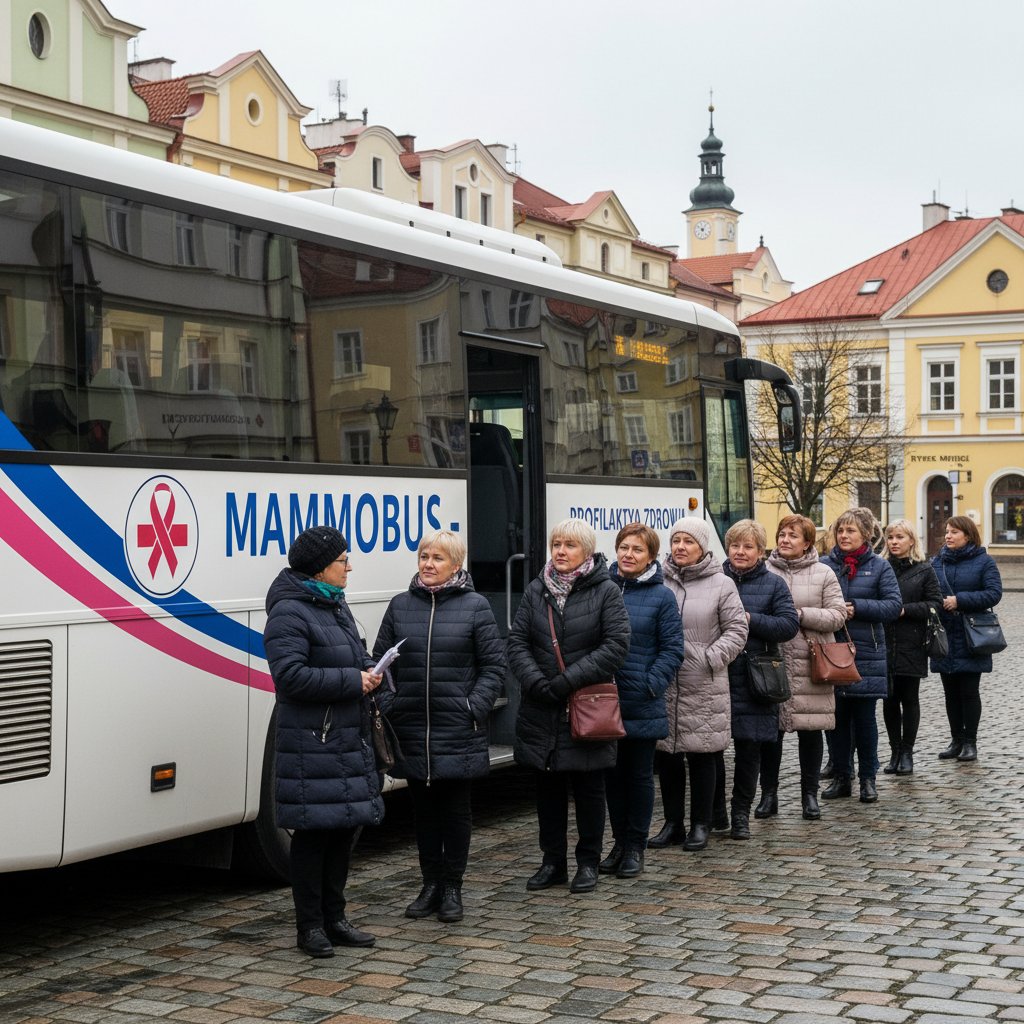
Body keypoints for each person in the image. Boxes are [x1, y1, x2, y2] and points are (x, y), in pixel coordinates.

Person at [263, 527, 383, 959]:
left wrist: (373, 670)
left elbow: (355, 654)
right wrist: (354, 681)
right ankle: (309, 926)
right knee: (313, 837)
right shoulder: (289, 613)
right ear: (320, 567)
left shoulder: (334, 604)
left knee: (342, 832)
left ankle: (336, 918)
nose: (349, 567)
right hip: (312, 741)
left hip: (347, 737)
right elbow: (290, 678)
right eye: (343, 560)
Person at [373, 530, 504, 923]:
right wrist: (390, 705)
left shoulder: (475, 606)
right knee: (423, 812)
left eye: (438, 558)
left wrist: (473, 707)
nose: (428, 564)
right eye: (424, 556)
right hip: (411, 726)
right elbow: (379, 662)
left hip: (457, 727)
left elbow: (494, 667)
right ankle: (429, 884)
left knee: (454, 811)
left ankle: (452, 887)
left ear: (456, 565)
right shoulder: (400, 606)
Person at [509, 519, 631, 895]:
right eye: (556, 544)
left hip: (586, 707)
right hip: (542, 707)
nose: (560, 551)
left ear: (587, 551)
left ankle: (588, 862)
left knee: (590, 789)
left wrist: (566, 681)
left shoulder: (606, 591)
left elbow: (615, 646)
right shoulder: (536, 590)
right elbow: (517, 642)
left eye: (569, 545)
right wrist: (536, 683)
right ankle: (553, 862)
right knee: (548, 791)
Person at [650, 516, 747, 852]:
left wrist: (710, 658)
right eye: (676, 540)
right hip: (664, 682)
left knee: (703, 754)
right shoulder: (659, 580)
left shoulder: (722, 584)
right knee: (668, 756)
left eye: (688, 541)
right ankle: (673, 822)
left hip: (703, 683)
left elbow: (737, 631)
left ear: (702, 547)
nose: (680, 547)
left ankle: (702, 823)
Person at [599, 523, 685, 878]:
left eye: (636, 549)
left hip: (641, 700)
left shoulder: (662, 596)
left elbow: (672, 650)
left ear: (651, 556)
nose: (627, 555)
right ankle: (618, 842)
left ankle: (635, 846)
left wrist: (651, 684)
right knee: (611, 778)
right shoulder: (603, 589)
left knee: (637, 777)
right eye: (623, 547)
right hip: (604, 701)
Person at [759, 515, 848, 820]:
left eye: (793, 536)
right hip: (772, 662)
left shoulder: (824, 573)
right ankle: (768, 795)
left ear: (807, 542)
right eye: (782, 534)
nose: (785, 540)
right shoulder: (764, 570)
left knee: (811, 732)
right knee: (770, 735)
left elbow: (837, 616)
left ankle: (809, 795)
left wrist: (798, 614)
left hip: (813, 664)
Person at [719, 520, 799, 839]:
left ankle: (741, 814)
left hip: (756, 676)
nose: (740, 551)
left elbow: (788, 625)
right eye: (736, 545)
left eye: (748, 546)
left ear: (760, 551)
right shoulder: (716, 578)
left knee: (749, 749)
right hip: (719, 675)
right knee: (710, 751)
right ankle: (714, 813)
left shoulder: (774, 584)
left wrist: (751, 620)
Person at [820, 508, 902, 804]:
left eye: (851, 531)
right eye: (840, 530)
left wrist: (857, 607)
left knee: (865, 719)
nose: (844, 535)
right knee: (836, 719)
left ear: (865, 535)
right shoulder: (824, 564)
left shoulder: (880, 567)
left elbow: (893, 606)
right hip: (830, 650)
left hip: (867, 651)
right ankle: (843, 776)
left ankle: (868, 779)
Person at [930, 515, 1003, 763]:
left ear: (968, 536)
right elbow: (929, 590)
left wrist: (960, 600)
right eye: (947, 532)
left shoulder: (984, 562)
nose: (948, 536)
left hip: (972, 635)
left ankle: (970, 742)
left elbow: (993, 594)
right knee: (950, 692)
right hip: (944, 635)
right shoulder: (936, 562)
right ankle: (956, 740)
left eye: (954, 532)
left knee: (969, 691)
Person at [882, 519, 941, 776]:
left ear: (911, 541)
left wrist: (906, 610)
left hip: (912, 641)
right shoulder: (881, 567)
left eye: (899, 537)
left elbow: (935, 604)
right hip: (883, 642)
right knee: (889, 699)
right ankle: (894, 751)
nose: (894, 542)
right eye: (891, 537)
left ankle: (907, 752)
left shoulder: (924, 570)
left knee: (909, 697)